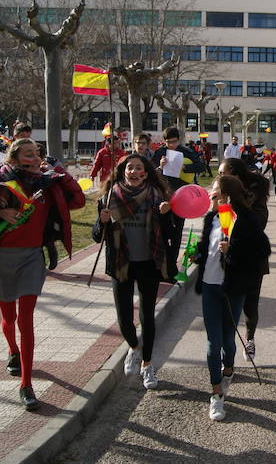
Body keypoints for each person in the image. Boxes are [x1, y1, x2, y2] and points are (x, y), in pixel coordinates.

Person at [0, 138, 85, 410]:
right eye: (28, 154)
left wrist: (62, 173)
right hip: (1, 256)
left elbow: (78, 200)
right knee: (9, 316)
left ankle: (26, 384)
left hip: (32, 258)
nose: (36, 158)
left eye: (38, 153)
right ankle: (12, 351)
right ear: (13, 159)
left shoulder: (48, 183)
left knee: (26, 319)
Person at [93, 154, 175, 390]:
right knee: (124, 318)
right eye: (130, 167)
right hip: (121, 263)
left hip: (149, 263)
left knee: (147, 316)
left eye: (139, 168)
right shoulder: (109, 199)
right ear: (122, 172)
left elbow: (169, 234)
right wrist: (102, 221)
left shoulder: (157, 197)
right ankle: (134, 348)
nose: (135, 171)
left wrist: (167, 213)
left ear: (146, 173)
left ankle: (147, 365)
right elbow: (97, 236)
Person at [195, 174, 270, 421]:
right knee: (212, 342)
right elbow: (206, 248)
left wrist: (233, 250)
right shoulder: (211, 219)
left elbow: (261, 253)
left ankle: (228, 370)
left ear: (226, 195)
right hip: (209, 286)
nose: (210, 195)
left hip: (233, 288)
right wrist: (197, 255)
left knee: (228, 339)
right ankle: (216, 395)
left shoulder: (246, 219)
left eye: (214, 192)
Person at [219, 158, 270, 362]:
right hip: (226, 260)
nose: (220, 177)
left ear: (236, 175)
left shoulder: (255, 196)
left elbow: (258, 225)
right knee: (227, 308)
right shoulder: (220, 196)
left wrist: (236, 207)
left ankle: (249, 338)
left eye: (223, 174)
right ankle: (226, 354)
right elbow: (216, 225)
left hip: (251, 260)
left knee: (250, 305)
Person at [151, 126, 206, 268]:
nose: (172, 145)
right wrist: (160, 166)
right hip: (162, 196)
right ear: (164, 141)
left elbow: (201, 166)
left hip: (180, 197)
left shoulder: (186, 151)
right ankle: (161, 261)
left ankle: (172, 264)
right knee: (162, 230)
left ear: (179, 140)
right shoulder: (160, 153)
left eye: (174, 142)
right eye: (168, 142)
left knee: (177, 231)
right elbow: (151, 172)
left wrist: (185, 167)